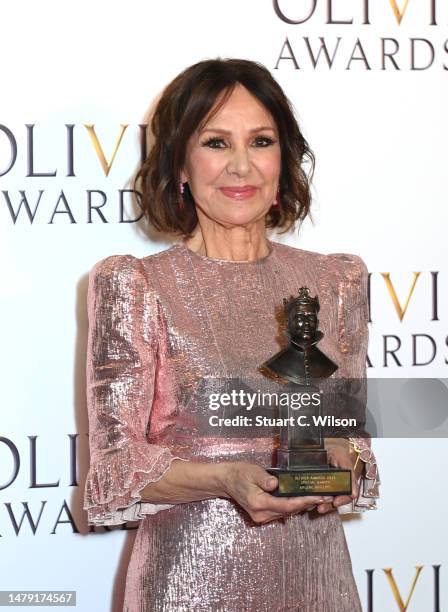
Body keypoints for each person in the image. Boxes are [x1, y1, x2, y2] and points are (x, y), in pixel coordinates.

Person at [83, 58, 380, 612]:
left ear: (284, 161)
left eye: (261, 141)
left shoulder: (336, 282)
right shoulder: (137, 284)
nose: (241, 166)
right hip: (191, 580)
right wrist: (225, 479)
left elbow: (352, 439)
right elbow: (115, 472)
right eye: (216, 143)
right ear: (180, 166)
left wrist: (344, 461)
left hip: (317, 579)